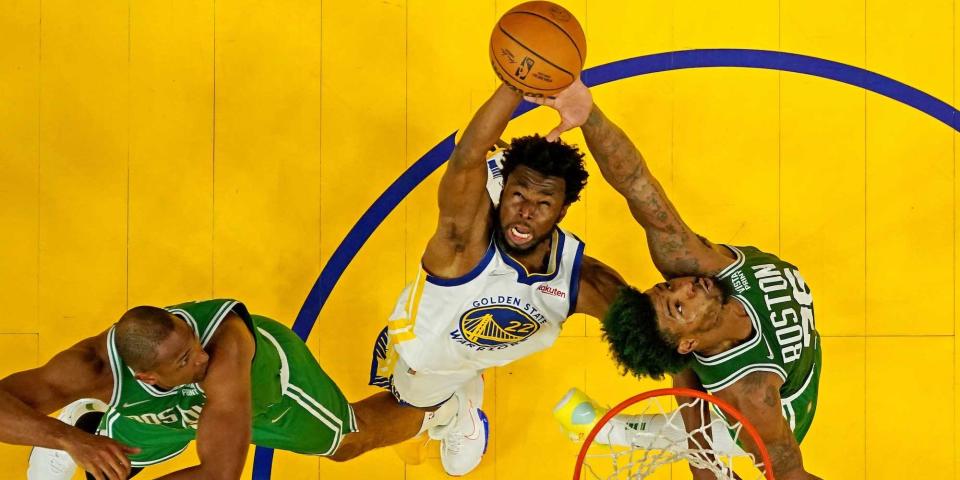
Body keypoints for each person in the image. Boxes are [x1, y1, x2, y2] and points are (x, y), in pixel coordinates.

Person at [535, 80, 823, 480]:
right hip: (775, 413)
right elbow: (791, 473)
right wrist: (704, 457)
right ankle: (617, 430)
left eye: (668, 287)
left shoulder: (689, 262)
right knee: (709, 440)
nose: (688, 286)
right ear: (688, 342)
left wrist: (589, 115)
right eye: (677, 304)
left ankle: (673, 445)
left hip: (769, 371)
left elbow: (636, 183)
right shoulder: (752, 399)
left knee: (699, 444)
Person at [368, 83, 626, 475]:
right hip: (432, 341)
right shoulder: (468, 221)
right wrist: (515, 84)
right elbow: (467, 152)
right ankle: (457, 407)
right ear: (505, 186)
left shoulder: (581, 276)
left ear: (561, 210)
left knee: (413, 400)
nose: (526, 211)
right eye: (519, 194)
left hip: (455, 349)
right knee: (411, 382)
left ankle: (455, 410)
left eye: (543, 203)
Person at [5, 299, 449, 480]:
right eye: (184, 360)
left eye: (192, 343)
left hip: (265, 397)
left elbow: (219, 473)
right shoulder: (90, 366)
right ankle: (85, 426)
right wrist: (68, 440)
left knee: (349, 443)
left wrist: (192, 364)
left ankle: (442, 407)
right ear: (146, 377)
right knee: (112, 462)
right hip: (170, 407)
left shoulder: (223, 354)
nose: (200, 358)